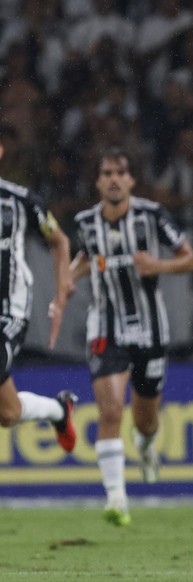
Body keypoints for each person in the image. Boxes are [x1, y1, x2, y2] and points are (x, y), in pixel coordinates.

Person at [69, 148, 193, 526]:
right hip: (105, 326)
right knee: (110, 411)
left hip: (150, 329)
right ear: (98, 181)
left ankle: (145, 448)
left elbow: (188, 258)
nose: (112, 178)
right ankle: (116, 499)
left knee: (145, 421)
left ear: (129, 180)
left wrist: (157, 264)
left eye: (119, 172)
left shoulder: (151, 215)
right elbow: (84, 255)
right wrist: (66, 281)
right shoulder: (86, 222)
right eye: (106, 172)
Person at [0, 126, 77, 452]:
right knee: (8, 413)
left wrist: (62, 289)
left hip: (8, 309)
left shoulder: (21, 201)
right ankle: (58, 410)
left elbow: (59, 240)